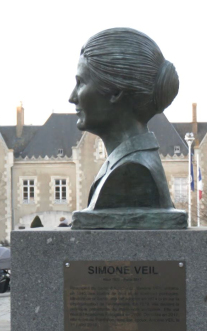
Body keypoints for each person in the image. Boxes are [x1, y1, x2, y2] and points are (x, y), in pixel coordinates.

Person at [69, 28, 184, 229]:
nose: (72, 97)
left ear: (115, 92)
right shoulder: (126, 164)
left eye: (80, 83)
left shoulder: (135, 169)